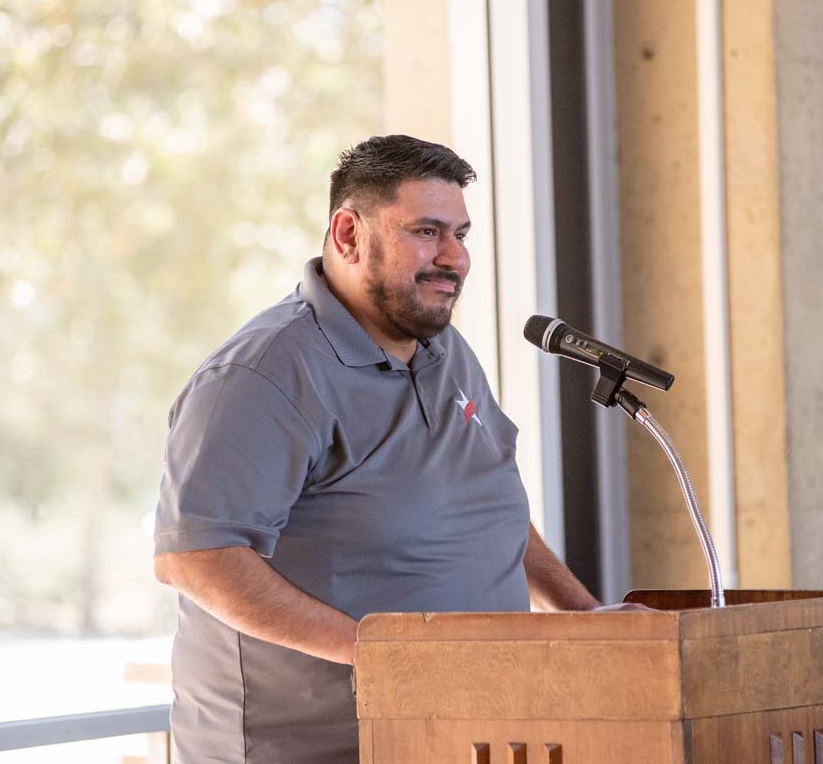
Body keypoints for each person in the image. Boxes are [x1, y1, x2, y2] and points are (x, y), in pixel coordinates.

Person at [153, 135, 605, 764]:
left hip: (460, 738)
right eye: (427, 231)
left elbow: (485, 505)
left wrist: (587, 617)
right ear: (347, 235)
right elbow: (197, 559)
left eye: (461, 234)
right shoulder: (262, 376)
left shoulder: (445, 352)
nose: (455, 258)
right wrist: (387, 655)